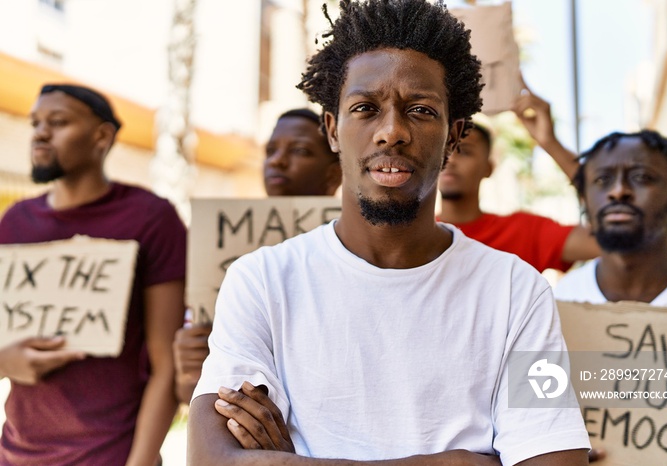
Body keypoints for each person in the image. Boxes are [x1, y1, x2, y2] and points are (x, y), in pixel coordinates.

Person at [187, 1, 590, 465]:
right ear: (333, 130)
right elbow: (213, 459)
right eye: (365, 108)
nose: (392, 131)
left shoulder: (517, 290)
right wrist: (452, 462)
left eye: (420, 110)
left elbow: (555, 461)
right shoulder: (261, 280)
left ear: (453, 136)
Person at [0, 84, 186, 466]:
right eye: (36, 122)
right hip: (15, 454)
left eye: (58, 122)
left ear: (102, 136)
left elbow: (164, 363)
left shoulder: (151, 217)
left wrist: (139, 461)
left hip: (111, 455)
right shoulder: (15, 221)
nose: (40, 132)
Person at [173, 108, 341, 404]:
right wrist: (191, 366)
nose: (277, 160)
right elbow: (190, 394)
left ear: (335, 172)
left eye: (300, 151)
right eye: (271, 150)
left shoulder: (358, 250)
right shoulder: (218, 242)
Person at [553, 129, 667, 466]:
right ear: (585, 200)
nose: (618, 190)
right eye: (603, 180)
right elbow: (528, 415)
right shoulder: (549, 308)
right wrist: (554, 453)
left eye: (642, 177)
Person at [438, 92, 600, 273]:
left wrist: (550, 143)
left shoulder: (525, 232)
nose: (450, 160)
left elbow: (607, 240)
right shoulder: (407, 234)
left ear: (488, 169)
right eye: (443, 150)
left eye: (465, 151)